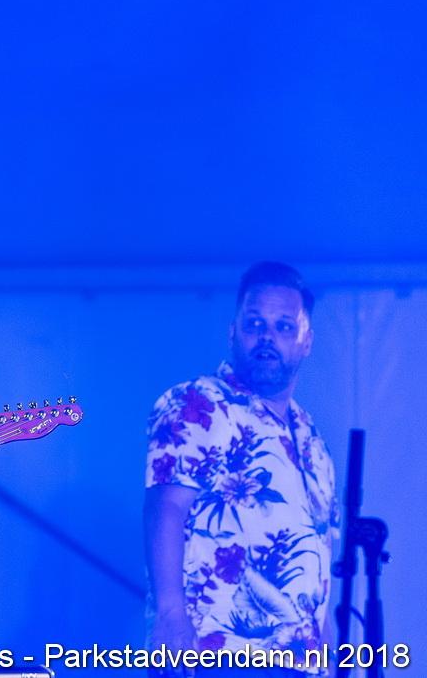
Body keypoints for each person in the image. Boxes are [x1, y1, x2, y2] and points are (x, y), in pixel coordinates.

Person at [143, 262, 339, 678]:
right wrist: (170, 613)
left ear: (306, 341)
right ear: (233, 332)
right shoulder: (201, 402)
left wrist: (329, 641)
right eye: (254, 323)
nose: (267, 337)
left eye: (284, 326)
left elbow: (320, 550)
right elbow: (167, 507)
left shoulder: (311, 438)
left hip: (300, 663)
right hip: (221, 653)